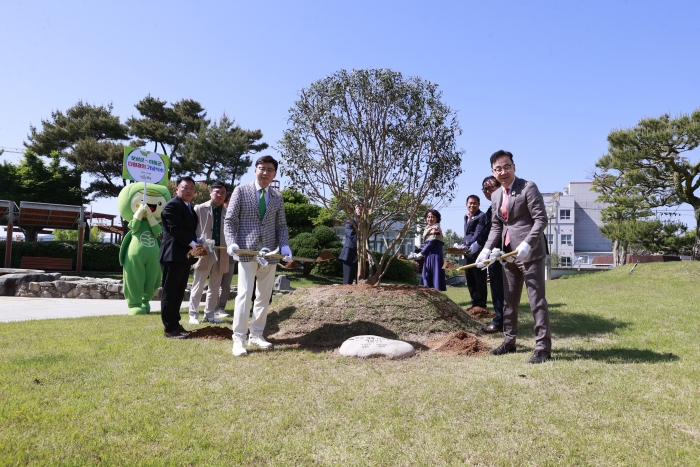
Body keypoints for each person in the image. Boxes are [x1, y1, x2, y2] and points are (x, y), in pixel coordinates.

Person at [477, 150, 552, 364]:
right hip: (507, 255)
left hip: (530, 252)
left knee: (537, 301)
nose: (503, 171)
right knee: (509, 302)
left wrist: (529, 243)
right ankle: (509, 341)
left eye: (506, 166)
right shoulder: (495, 195)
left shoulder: (528, 187)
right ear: (493, 171)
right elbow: (496, 227)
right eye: (498, 169)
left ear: (514, 166)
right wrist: (486, 250)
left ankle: (542, 348)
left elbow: (540, 219)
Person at [224, 155, 292, 357]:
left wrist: (285, 246)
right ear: (255, 170)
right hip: (246, 251)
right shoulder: (241, 191)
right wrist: (231, 242)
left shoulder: (278, 197)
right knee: (244, 294)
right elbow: (230, 220)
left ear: (275, 174)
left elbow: (281, 225)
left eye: (270, 170)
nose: (265, 172)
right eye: (262, 168)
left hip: (270, 253)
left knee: (264, 296)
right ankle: (239, 338)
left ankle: (257, 334)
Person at [159, 176, 199, 339]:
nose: (188, 191)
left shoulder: (189, 207)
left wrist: (199, 241)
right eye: (185, 187)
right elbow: (175, 230)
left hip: (183, 257)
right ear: (177, 189)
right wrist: (193, 244)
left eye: (191, 188)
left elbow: (188, 230)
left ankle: (175, 323)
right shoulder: (172, 206)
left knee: (178, 292)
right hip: (172, 255)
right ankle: (169, 328)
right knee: (170, 293)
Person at [188, 181, 229, 325]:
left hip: (222, 252)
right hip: (204, 251)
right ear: (210, 192)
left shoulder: (227, 211)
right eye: (217, 192)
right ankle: (193, 315)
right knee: (198, 285)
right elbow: (191, 229)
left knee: (215, 287)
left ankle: (209, 315)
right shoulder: (199, 208)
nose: (219, 195)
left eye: (223, 193)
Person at [479, 176, 505, 334]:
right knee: (497, 288)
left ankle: (503, 321)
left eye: (491, 187)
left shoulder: (507, 202)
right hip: (495, 254)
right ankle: (501, 320)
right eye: (485, 189)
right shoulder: (491, 209)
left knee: (504, 289)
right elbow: (488, 231)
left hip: (508, 253)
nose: (488, 191)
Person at [456, 195, 489, 311]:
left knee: (479, 278)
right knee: (469, 277)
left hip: (477, 251)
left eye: (475, 203)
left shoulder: (481, 216)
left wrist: (468, 244)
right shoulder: (466, 217)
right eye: (470, 203)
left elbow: (478, 233)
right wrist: (460, 244)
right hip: (467, 252)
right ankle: (474, 301)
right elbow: (467, 234)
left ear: (479, 204)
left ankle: (481, 303)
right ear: (466, 204)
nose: (472, 205)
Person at [215, 191, 236, 318]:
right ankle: (214, 306)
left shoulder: (238, 215)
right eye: (230, 201)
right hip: (219, 253)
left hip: (231, 255)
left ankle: (221, 307)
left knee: (226, 284)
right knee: (216, 282)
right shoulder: (219, 213)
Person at [415, 209, 446, 291]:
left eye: (432, 217)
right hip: (429, 254)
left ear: (437, 218)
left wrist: (421, 253)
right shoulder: (428, 228)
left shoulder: (435, 228)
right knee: (428, 274)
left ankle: (435, 293)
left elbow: (430, 243)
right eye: (428, 217)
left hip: (435, 255)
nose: (430, 219)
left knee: (434, 275)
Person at [338, 203, 363, 284]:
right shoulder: (349, 222)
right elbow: (351, 237)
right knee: (348, 282)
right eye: (357, 208)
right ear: (354, 211)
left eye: (361, 208)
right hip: (349, 255)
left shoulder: (365, 224)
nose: (359, 210)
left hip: (361, 256)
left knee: (360, 281)